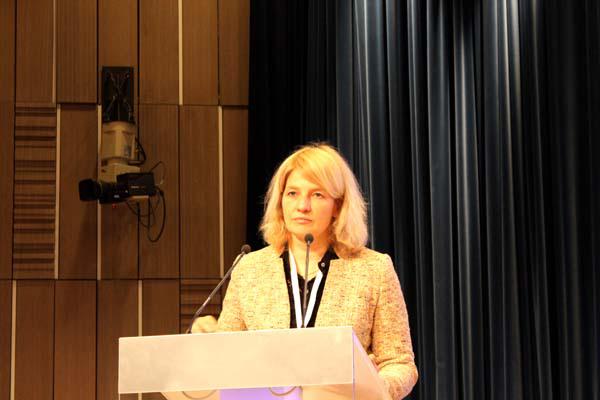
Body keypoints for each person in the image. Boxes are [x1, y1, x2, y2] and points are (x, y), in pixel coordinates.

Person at [192, 143, 418, 399]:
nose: (302, 206)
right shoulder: (249, 269)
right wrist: (209, 342)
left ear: (338, 205)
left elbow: (399, 363)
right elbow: (230, 357)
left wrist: (377, 387)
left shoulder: (373, 269)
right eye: (292, 193)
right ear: (280, 201)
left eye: (317, 195)